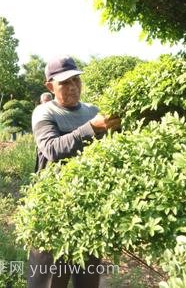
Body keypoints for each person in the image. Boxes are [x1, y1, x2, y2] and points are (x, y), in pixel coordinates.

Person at [28, 56, 121, 288]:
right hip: (53, 208)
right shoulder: (44, 112)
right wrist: (92, 129)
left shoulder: (93, 111)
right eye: (65, 83)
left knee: (88, 277)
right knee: (49, 278)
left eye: (76, 81)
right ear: (50, 86)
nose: (73, 88)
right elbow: (51, 149)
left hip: (90, 208)